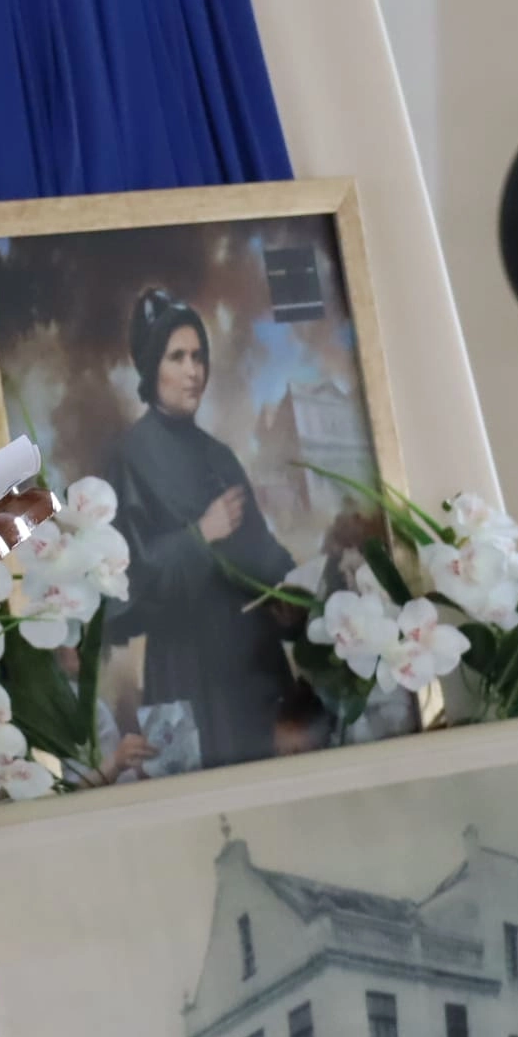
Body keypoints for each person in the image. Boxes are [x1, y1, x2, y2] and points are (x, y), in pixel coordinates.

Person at [110, 287, 321, 769]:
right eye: (177, 357)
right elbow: (129, 583)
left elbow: (260, 548)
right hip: (187, 668)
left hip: (255, 664)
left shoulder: (219, 456)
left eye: (199, 357)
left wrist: (292, 592)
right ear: (150, 367)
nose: (193, 371)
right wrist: (200, 535)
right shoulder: (130, 457)